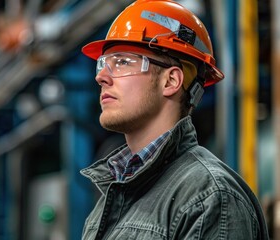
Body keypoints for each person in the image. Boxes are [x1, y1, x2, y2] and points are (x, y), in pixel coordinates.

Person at [79, 0, 269, 239]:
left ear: (170, 81)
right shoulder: (110, 201)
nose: (102, 77)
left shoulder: (210, 197)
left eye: (123, 62)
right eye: (103, 64)